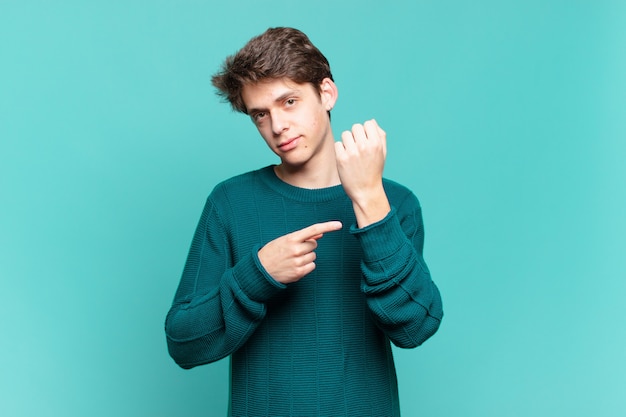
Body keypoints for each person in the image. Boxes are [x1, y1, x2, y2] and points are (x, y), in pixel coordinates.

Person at [165, 27, 443, 417]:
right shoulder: (230, 202)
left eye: (289, 101)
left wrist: (368, 198)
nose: (277, 126)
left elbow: (415, 326)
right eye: (261, 114)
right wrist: (257, 274)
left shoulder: (393, 202)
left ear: (326, 93)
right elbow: (183, 343)